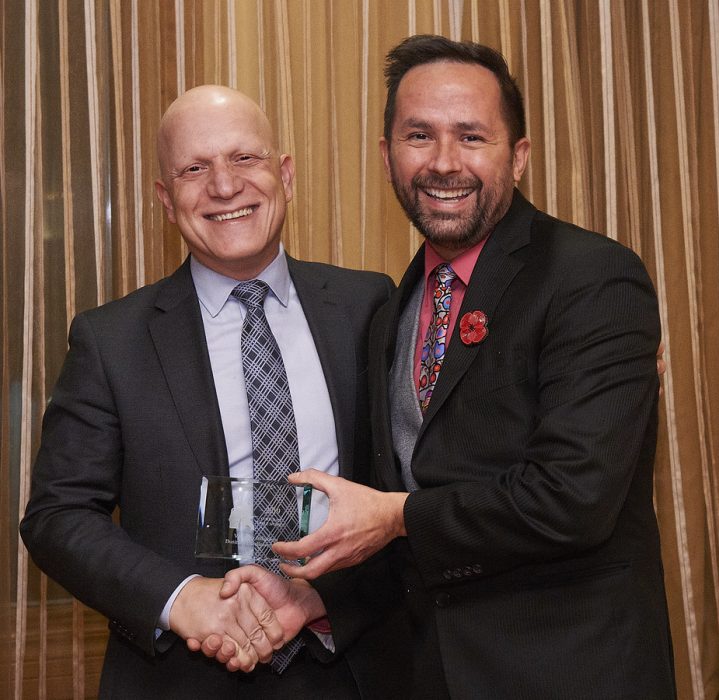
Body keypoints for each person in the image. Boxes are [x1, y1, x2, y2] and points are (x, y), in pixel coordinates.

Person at [216, 35, 678, 698]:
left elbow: (574, 499)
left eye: (471, 137)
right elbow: (409, 493)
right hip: (435, 673)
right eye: (418, 136)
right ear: (387, 157)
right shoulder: (395, 306)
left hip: (572, 671)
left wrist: (399, 515)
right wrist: (316, 602)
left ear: (517, 156)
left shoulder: (591, 279)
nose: (442, 163)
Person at [19, 85, 401, 699]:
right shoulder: (110, 339)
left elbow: (409, 491)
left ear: (286, 174)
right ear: (167, 202)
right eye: (195, 169)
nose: (224, 187)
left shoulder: (368, 305)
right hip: (179, 678)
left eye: (244, 159)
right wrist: (181, 599)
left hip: (354, 667)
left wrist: (320, 599)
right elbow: (57, 517)